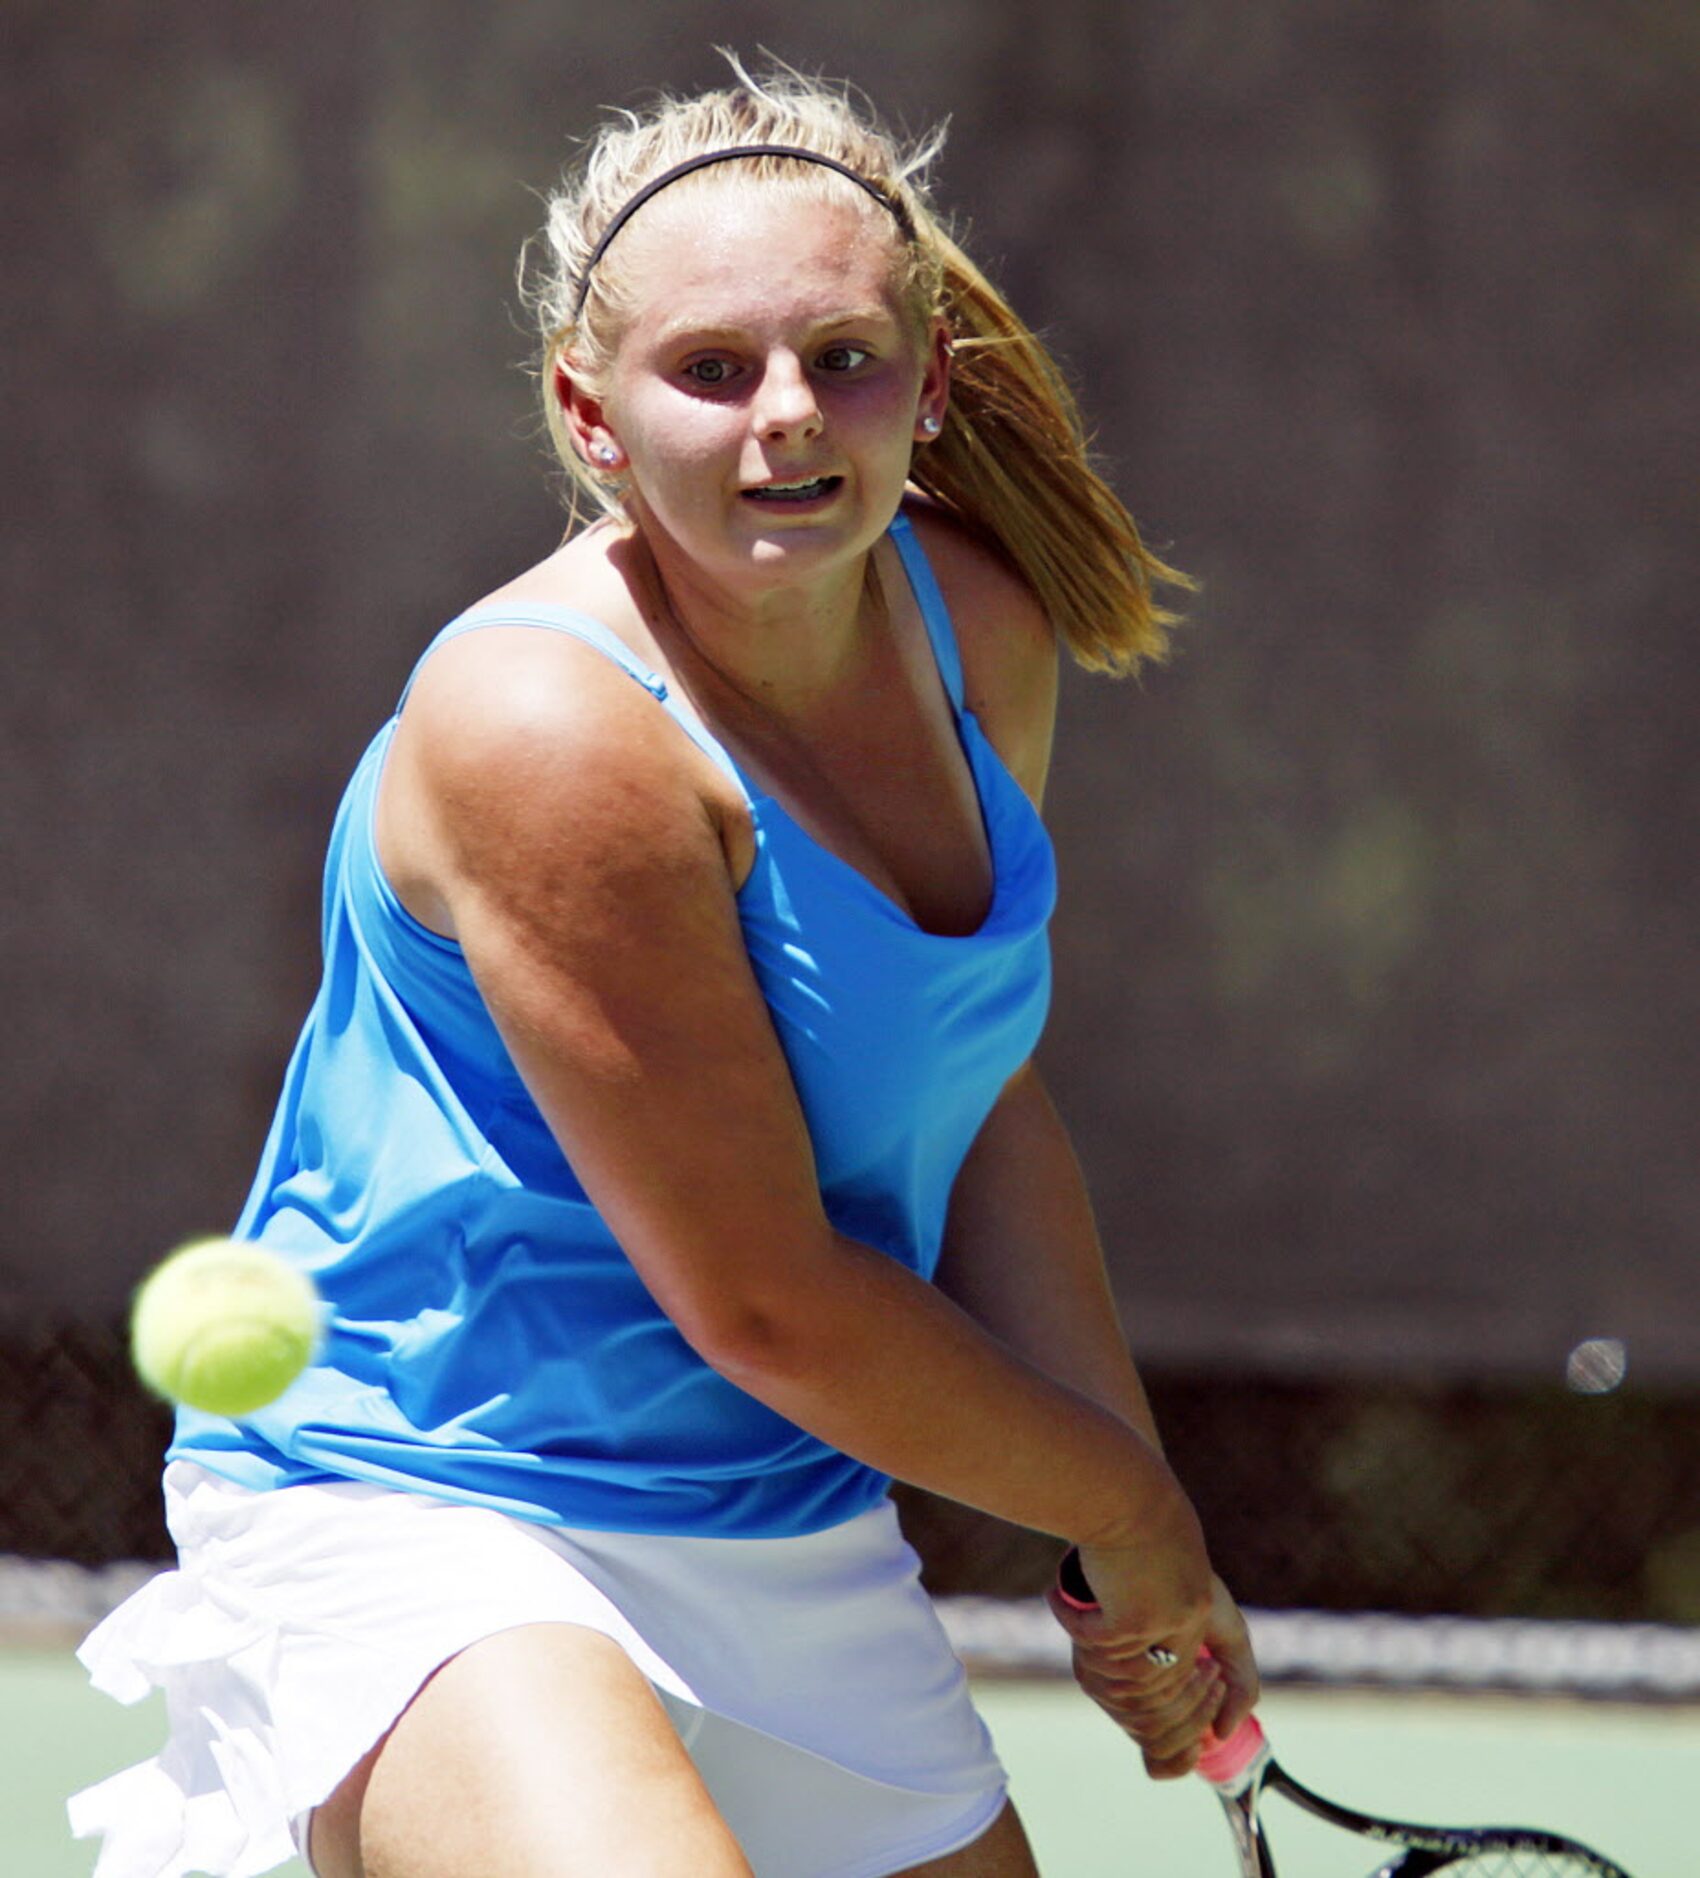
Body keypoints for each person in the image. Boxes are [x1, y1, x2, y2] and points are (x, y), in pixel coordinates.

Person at [70, 57, 1258, 1878]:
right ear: (591, 414)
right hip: (435, 1492)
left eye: (842, 358)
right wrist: (1126, 1502)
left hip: (777, 1498)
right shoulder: (544, 729)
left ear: (927, 385)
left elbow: (979, 1091)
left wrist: (1128, 1523)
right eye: (711, 370)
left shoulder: (977, 637)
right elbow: (766, 1298)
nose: (787, 417)